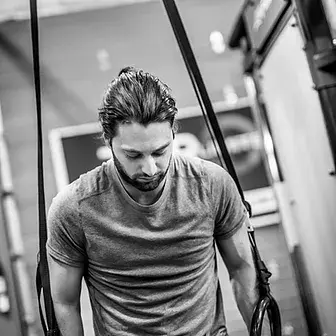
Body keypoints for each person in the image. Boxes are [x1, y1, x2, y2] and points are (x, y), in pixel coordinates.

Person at [47, 66, 259, 336]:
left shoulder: (211, 185)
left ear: (173, 133)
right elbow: (64, 303)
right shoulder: (74, 209)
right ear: (108, 141)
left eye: (160, 151)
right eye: (133, 155)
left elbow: (242, 269)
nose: (150, 169)